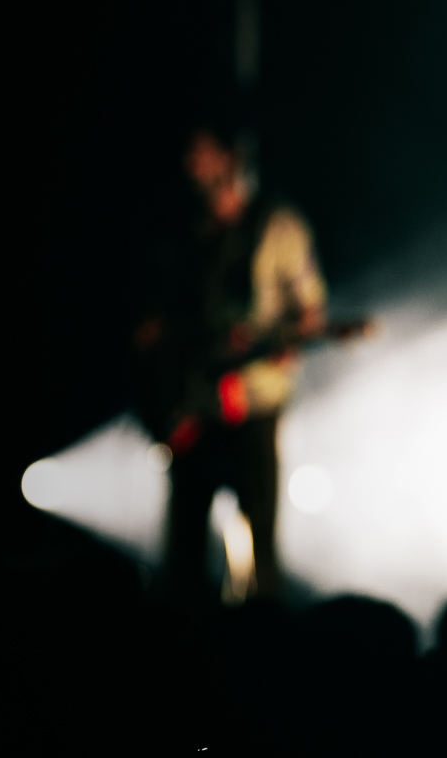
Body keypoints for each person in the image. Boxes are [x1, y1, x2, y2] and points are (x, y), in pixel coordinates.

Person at [139, 122, 327, 602]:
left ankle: (260, 625)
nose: (191, 165)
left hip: (252, 403)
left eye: (201, 152)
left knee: (259, 541)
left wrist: (284, 342)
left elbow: (309, 313)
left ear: (229, 157)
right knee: (184, 546)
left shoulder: (278, 226)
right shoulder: (185, 231)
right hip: (194, 406)